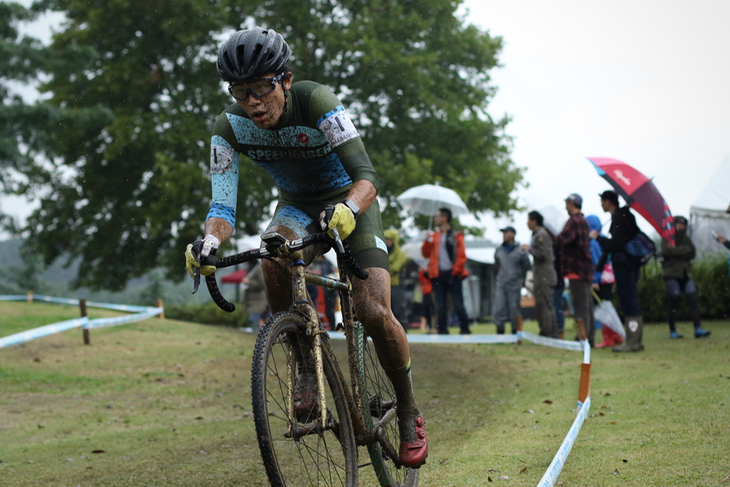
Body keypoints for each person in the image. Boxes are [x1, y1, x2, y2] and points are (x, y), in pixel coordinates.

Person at [183, 28, 427, 467]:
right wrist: (210, 241)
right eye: (241, 91)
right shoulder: (227, 128)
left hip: (351, 202)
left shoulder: (317, 101)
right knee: (272, 253)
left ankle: (408, 408)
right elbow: (221, 205)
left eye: (261, 88)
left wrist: (350, 209)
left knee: (374, 311)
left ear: (287, 80)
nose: (253, 102)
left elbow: (367, 177)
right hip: (296, 207)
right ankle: (304, 369)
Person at [590, 190, 643, 352]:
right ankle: (635, 341)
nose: (601, 205)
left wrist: (598, 238)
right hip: (629, 265)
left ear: (607, 202)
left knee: (629, 302)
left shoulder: (621, 217)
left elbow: (615, 244)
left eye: (602, 201)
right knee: (630, 301)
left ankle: (633, 342)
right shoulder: (623, 216)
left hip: (625, 266)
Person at [553, 194, 596, 347]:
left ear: (571, 203)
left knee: (580, 306)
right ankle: (589, 337)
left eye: (566, 202)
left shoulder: (574, 221)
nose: (565, 205)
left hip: (576, 270)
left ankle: (583, 339)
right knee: (587, 305)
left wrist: (553, 236)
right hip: (585, 269)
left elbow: (562, 239)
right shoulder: (583, 220)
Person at [421, 208, 471, 335]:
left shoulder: (455, 236)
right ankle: (442, 330)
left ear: (445, 217)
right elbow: (425, 254)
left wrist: (455, 272)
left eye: (438, 216)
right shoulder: (434, 237)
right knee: (440, 306)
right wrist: (427, 241)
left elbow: (462, 256)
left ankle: (465, 329)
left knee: (459, 305)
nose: (436, 219)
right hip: (438, 276)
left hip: (454, 275)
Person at [661, 215, 711, 338]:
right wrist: (683, 251)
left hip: (685, 273)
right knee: (674, 297)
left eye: (683, 224)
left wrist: (677, 250)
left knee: (692, 297)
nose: (681, 226)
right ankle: (673, 330)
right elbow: (666, 251)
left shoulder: (686, 239)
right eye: (678, 224)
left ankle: (697, 328)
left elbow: (692, 252)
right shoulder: (667, 238)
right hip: (671, 274)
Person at [586, 214, 622, 348]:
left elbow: (596, 262)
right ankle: (615, 336)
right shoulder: (602, 240)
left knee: (603, 309)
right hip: (608, 277)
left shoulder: (593, 243)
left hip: (600, 280)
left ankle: (609, 338)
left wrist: (594, 280)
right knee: (607, 307)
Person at [521, 211, 557, 337]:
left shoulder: (542, 234)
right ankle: (546, 330)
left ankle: (548, 331)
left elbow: (544, 254)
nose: (527, 223)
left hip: (545, 276)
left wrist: (529, 249)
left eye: (528, 220)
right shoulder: (537, 235)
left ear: (534, 221)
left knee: (545, 304)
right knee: (542, 304)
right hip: (541, 276)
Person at [493, 226, 532, 335]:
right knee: (499, 308)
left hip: (515, 285)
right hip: (501, 284)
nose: (504, 235)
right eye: (503, 233)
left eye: (506, 232)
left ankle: (515, 333)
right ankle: (500, 333)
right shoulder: (499, 250)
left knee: (514, 310)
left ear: (513, 234)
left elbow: (527, 267)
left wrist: (522, 281)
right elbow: (496, 267)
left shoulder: (520, 251)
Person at [385, 228, 409, 331]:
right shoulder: (382, 251)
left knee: (398, 309)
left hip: (396, 285)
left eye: (389, 239)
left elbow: (395, 268)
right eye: (385, 239)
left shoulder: (401, 253)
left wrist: (383, 267)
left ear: (394, 240)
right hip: (384, 285)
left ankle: (403, 331)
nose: (386, 241)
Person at [243, 261, 268, 332]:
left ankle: (258, 335)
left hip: (258, 302)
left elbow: (261, 283)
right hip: (252, 302)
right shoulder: (250, 270)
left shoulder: (258, 269)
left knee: (255, 320)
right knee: (255, 320)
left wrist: (249, 282)